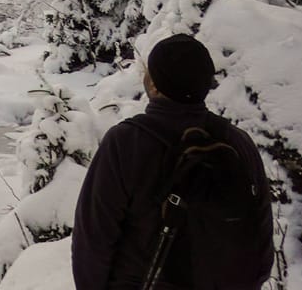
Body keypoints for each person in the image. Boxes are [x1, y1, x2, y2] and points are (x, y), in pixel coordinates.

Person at [72, 34, 275, 290]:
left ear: (154, 86)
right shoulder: (237, 141)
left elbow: (93, 240)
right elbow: (261, 232)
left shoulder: (125, 142)